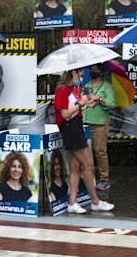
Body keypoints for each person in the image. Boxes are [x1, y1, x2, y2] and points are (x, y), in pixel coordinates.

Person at [54, 68, 114, 214]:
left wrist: (88, 103)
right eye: (80, 74)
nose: (81, 77)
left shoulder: (73, 89)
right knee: (88, 164)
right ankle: (95, 200)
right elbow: (65, 113)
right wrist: (81, 104)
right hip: (70, 128)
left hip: (76, 125)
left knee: (76, 167)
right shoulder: (63, 90)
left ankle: (72, 202)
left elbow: (77, 107)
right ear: (72, 73)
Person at [82, 63, 115, 191]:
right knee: (85, 153)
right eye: (91, 70)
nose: (92, 72)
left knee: (100, 152)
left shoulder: (107, 86)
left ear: (101, 72)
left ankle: (104, 179)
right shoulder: (87, 86)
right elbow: (83, 100)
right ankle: (87, 177)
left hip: (100, 124)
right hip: (85, 122)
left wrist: (99, 98)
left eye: (95, 70)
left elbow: (112, 103)